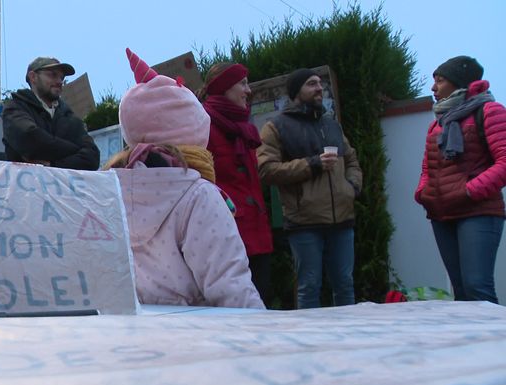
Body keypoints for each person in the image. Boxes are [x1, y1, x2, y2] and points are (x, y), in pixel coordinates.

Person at [104, 48, 264, 309]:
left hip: (135, 338)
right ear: (195, 128)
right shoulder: (198, 196)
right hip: (197, 337)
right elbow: (230, 287)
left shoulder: (107, 195)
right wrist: (265, 340)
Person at [257, 68, 362, 309]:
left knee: (345, 285)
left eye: (319, 84)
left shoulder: (332, 125)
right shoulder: (276, 127)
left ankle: (352, 341)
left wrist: (352, 187)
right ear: (296, 92)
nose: (318, 88)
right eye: (311, 84)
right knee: (309, 287)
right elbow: (266, 170)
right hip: (304, 222)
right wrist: (312, 164)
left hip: (342, 219)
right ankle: (311, 345)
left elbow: (352, 160)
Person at [415, 56, 506, 304]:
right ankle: (472, 344)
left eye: (440, 80)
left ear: (460, 83)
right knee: (461, 291)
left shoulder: (489, 111)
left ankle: (496, 343)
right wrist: (423, 192)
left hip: (478, 210)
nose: (433, 88)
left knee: (478, 287)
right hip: (442, 213)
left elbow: (504, 162)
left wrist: (470, 191)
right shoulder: (437, 124)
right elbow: (427, 166)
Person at [197, 63, 274, 306]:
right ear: (224, 88)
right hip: (228, 236)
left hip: (257, 232)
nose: (248, 90)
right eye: (242, 83)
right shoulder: (202, 127)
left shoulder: (244, 129)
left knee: (261, 300)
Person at [2, 56, 100, 170]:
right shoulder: (15, 108)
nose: (59, 81)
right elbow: (30, 139)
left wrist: (53, 166)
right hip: (24, 185)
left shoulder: (70, 118)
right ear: (33, 77)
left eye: (61, 77)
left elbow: (92, 158)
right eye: (52, 75)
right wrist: (75, 150)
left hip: (61, 187)